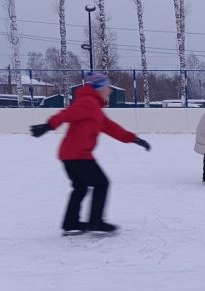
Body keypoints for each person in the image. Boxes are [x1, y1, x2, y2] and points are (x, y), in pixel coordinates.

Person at [29, 72, 151, 236]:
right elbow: (67, 114)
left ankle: (71, 223)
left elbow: (111, 127)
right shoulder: (88, 103)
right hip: (78, 154)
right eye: (107, 87)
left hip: (70, 154)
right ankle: (96, 222)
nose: (110, 91)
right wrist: (47, 126)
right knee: (101, 183)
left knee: (80, 187)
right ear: (99, 88)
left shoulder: (94, 107)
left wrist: (134, 139)